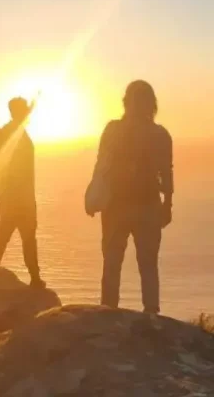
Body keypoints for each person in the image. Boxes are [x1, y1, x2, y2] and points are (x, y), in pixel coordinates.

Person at [94, 80, 173, 315]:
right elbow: (166, 172)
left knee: (113, 263)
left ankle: (108, 312)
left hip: (117, 206)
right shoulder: (160, 134)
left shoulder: (113, 130)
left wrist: (95, 196)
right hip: (145, 206)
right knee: (147, 264)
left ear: (125, 102)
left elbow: (101, 166)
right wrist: (167, 205)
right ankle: (150, 313)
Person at [0, 97, 46, 289]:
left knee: (13, 235)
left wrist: (30, 108)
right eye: (23, 111)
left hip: (16, 195)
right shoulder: (9, 134)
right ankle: (28, 278)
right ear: (18, 112)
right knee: (16, 236)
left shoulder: (13, 131)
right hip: (16, 196)